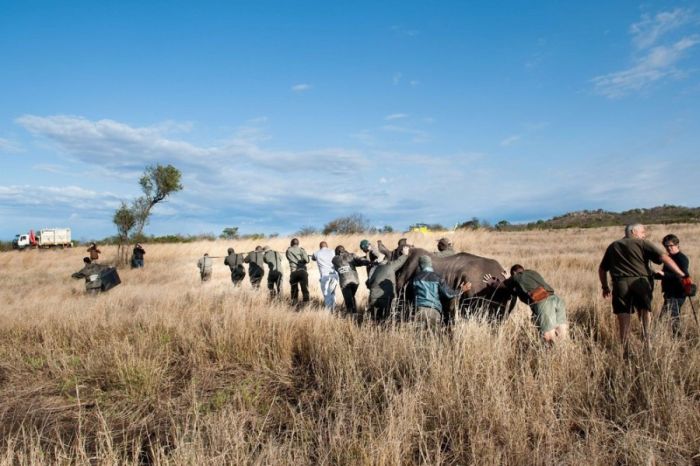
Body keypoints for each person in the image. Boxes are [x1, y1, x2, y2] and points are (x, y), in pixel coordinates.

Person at [599, 223, 692, 352]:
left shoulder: (613, 246)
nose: (644, 234)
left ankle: (625, 350)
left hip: (619, 284)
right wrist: (682, 274)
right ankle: (647, 346)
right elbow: (664, 258)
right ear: (633, 232)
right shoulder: (643, 243)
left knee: (624, 316)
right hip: (641, 282)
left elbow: (602, 269)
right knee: (644, 313)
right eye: (643, 232)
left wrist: (605, 287)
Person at [484, 265, 568, 343]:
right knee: (561, 334)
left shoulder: (516, 277)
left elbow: (500, 285)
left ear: (513, 273)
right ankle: (561, 354)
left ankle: (551, 357)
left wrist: (490, 281)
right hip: (557, 300)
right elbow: (519, 288)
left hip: (543, 302)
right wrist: (510, 279)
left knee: (548, 338)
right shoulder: (532, 273)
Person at [413, 255, 471, 331]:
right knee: (434, 338)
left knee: (419, 337)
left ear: (420, 265)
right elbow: (449, 294)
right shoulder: (437, 277)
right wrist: (461, 289)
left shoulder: (416, 278)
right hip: (433, 311)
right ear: (430, 264)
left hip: (419, 310)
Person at [655, 234, 691, 336]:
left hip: (677, 292)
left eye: (671, 245)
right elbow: (666, 275)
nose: (668, 248)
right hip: (669, 292)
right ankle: (660, 337)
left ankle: (678, 339)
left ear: (677, 244)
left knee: (673, 317)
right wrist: (656, 275)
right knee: (665, 317)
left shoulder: (681, 258)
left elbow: (683, 275)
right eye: (666, 246)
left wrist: (664, 274)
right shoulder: (669, 258)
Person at [365, 247, 410, 323]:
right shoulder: (389, 266)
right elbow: (399, 262)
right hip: (385, 298)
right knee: (385, 320)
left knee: (375, 320)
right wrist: (405, 254)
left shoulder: (373, 269)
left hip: (373, 297)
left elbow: (368, 284)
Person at [332, 245, 369, 316]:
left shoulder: (334, 259)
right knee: (352, 296)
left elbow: (337, 267)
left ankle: (351, 316)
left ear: (337, 252)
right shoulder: (351, 255)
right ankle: (355, 312)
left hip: (344, 282)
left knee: (348, 300)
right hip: (355, 281)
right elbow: (359, 262)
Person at [312, 241, 339, 311]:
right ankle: (334, 309)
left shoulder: (317, 253)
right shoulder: (333, 251)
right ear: (327, 246)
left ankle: (329, 311)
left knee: (327, 294)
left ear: (320, 247)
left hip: (325, 276)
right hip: (334, 275)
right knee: (333, 293)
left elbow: (313, 258)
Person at [286, 238, 310, 305]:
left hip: (293, 271)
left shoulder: (288, 250)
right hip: (302, 271)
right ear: (298, 243)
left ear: (291, 243)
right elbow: (307, 260)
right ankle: (306, 305)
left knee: (294, 289)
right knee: (305, 289)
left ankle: (294, 304)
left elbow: (288, 258)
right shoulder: (301, 250)